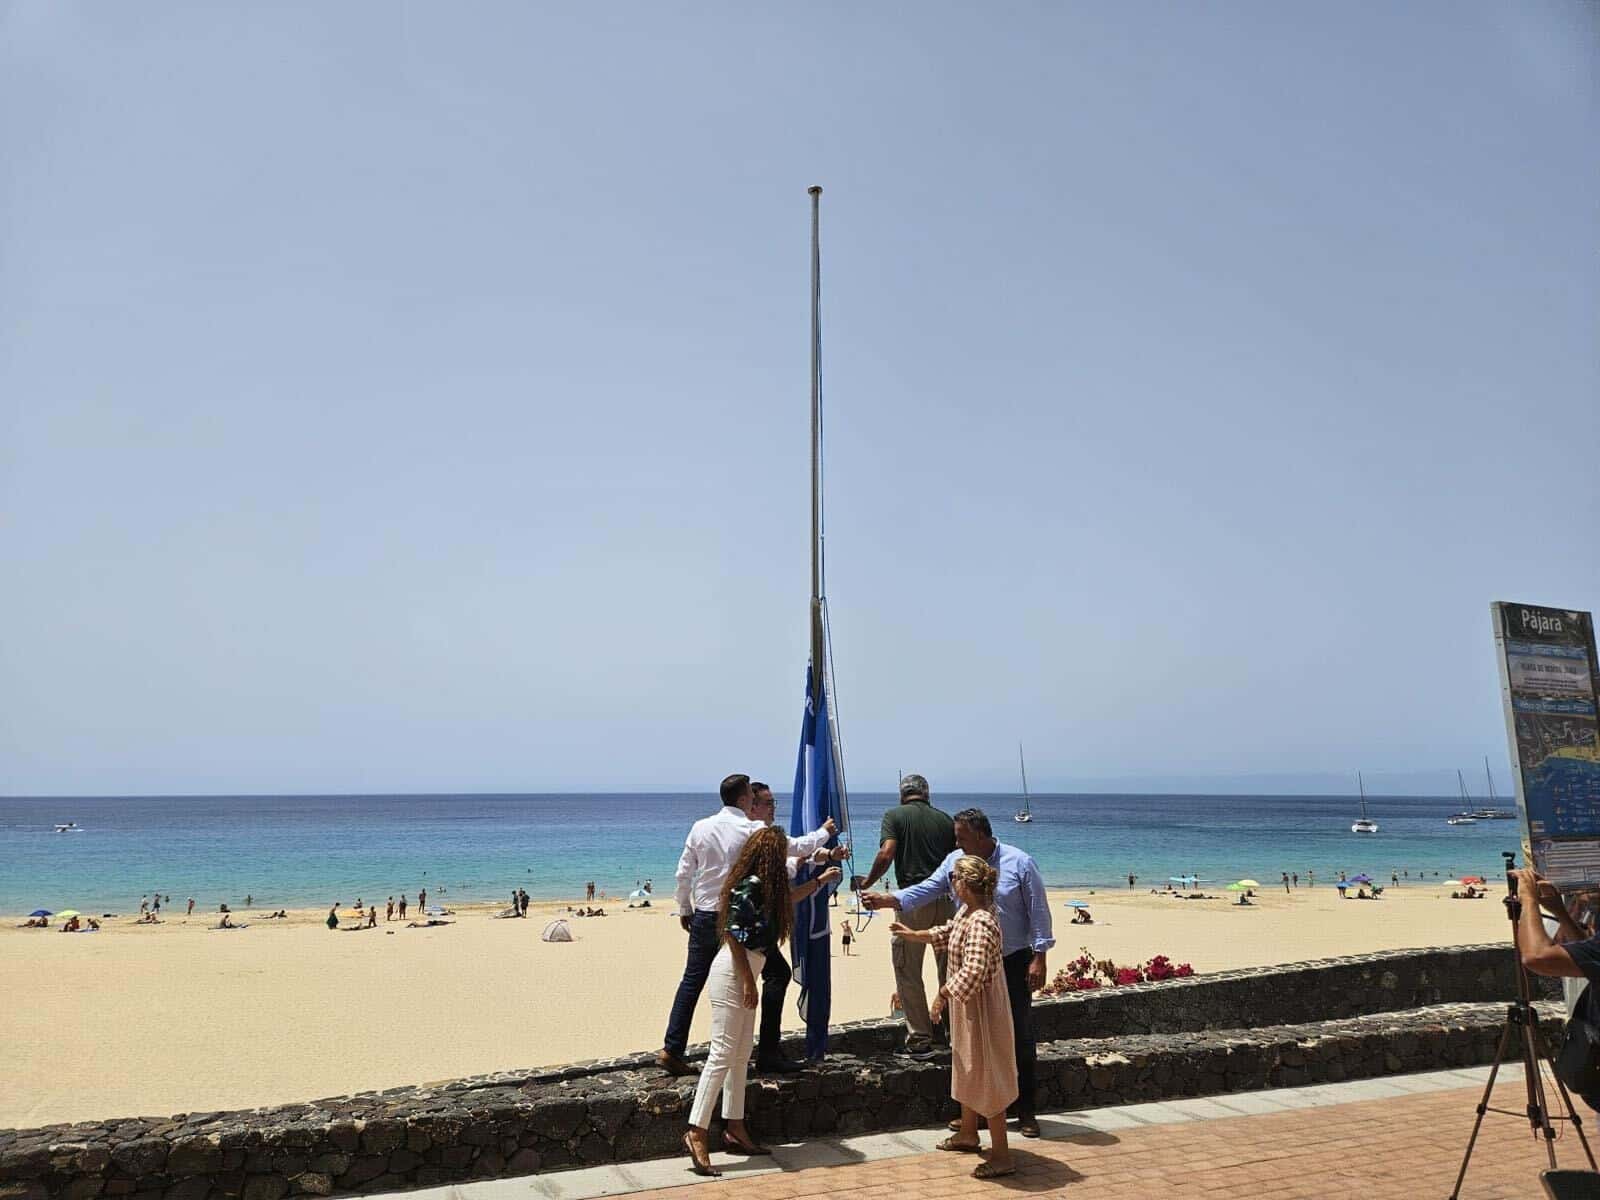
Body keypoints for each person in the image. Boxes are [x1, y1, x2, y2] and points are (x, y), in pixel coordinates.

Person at [863, 807, 1053, 1138]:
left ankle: (1026, 1111)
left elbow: (1039, 912)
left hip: (1013, 961)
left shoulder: (1020, 862)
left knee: (1018, 1036)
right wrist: (889, 900)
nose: (956, 841)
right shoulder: (954, 863)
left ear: (980, 835)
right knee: (974, 1041)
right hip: (974, 962)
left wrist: (1040, 957)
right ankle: (979, 1113)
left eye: (961, 836)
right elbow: (927, 889)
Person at [681, 826, 842, 1175]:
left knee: (740, 1055)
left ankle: (735, 1128)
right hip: (733, 973)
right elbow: (733, 935)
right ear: (769, 855)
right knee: (723, 1053)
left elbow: (789, 899)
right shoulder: (750, 884)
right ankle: (696, 1130)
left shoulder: (763, 887)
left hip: (746, 973)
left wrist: (820, 881)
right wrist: (748, 983)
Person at [660, 773, 837, 1077]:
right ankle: (767, 1051)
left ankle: (672, 1047)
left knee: (693, 980)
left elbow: (683, 873)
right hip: (742, 914)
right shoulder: (752, 829)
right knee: (777, 974)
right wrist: (824, 831)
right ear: (744, 799)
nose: (756, 804)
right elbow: (795, 846)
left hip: (705, 912)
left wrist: (684, 907)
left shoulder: (700, 827)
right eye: (753, 799)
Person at [892, 855, 1017, 1179]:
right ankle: (968, 1133)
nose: (951, 886)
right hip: (970, 1008)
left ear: (965, 884)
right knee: (967, 1066)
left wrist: (942, 995)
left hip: (982, 1011)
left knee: (988, 1073)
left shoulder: (982, 922)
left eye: (954, 880)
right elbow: (947, 932)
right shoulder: (970, 912)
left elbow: (974, 970)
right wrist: (913, 934)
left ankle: (1002, 1154)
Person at [857, 774, 958, 1060]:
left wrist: (868, 882)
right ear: (927, 793)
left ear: (903, 794)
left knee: (908, 971)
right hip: (946, 900)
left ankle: (920, 1039)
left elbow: (887, 853)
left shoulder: (894, 816)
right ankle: (954, 1035)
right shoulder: (945, 820)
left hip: (913, 901)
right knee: (948, 971)